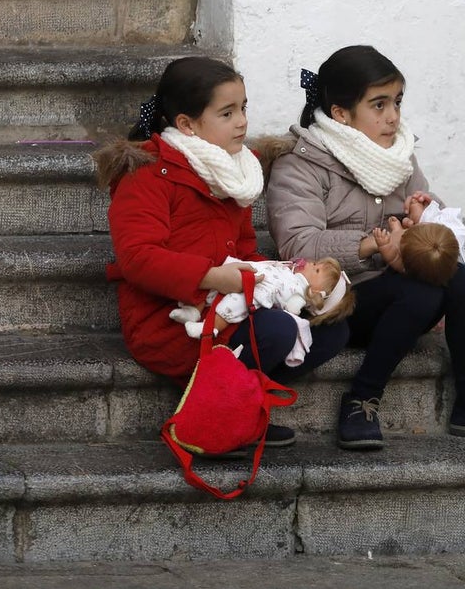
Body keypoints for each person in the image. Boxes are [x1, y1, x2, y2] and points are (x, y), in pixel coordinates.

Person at [264, 45, 465, 450]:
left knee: (459, 279)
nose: (393, 116)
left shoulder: (398, 157)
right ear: (341, 113)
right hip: (335, 301)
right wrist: (373, 245)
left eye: (396, 102)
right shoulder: (300, 164)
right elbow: (298, 244)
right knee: (423, 292)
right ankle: (361, 400)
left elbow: (431, 215)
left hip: (395, 296)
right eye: (378, 105)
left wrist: (422, 219)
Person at [93, 56, 350, 448]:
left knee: (333, 329)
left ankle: (242, 403)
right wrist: (212, 277)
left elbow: (245, 249)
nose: (242, 122)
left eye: (243, 108)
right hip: (171, 319)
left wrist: (285, 278)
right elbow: (138, 258)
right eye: (227, 113)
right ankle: (212, 415)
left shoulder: (234, 173)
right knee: (279, 330)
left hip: (229, 301)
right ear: (187, 125)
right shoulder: (147, 175)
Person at [170, 256, 354, 368]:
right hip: (245, 276)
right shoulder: (288, 269)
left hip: (254, 294)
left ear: (316, 291)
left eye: (317, 269)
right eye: (316, 263)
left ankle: (209, 328)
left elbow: (291, 309)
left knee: (233, 305)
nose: (311, 263)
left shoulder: (298, 293)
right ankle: (192, 310)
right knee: (213, 285)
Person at [373, 220, 460, 288]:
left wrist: (384, 245)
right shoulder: (444, 262)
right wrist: (397, 228)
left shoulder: (403, 267)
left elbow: (392, 257)